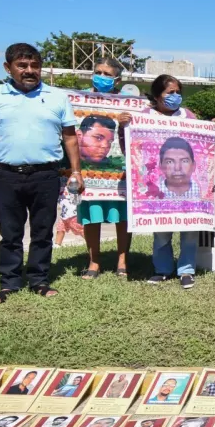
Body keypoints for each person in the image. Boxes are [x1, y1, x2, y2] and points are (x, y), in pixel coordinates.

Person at [0, 43, 82, 304]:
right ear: (8, 67)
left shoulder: (57, 97)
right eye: (22, 66)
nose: (29, 71)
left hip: (45, 176)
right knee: (10, 233)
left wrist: (76, 171)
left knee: (42, 232)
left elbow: (70, 137)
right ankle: (9, 282)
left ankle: (39, 280)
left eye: (35, 65)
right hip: (7, 176)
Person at [78, 57, 134, 279]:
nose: (102, 77)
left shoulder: (126, 102)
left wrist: (124, 121)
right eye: (98, 72)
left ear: (117, 79)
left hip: (120, 172)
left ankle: (123, 260)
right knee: (91, 216)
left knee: (122, 217)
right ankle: (94, 262)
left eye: (108, 74)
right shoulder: (79, 99)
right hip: (87, 172)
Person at [144, 75, 202, 289]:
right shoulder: (144, 116)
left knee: (189, 231)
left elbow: (200, 144)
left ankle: (186, 270)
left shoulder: (188, 116)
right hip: (158, 187)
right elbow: (133, 146)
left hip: (189, 188)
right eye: (170, 93)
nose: (175, 96)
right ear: (158, 95)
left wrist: (213, 126)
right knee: (161, 232)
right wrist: (125, 127)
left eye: (178, 92)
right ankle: (162, 269)